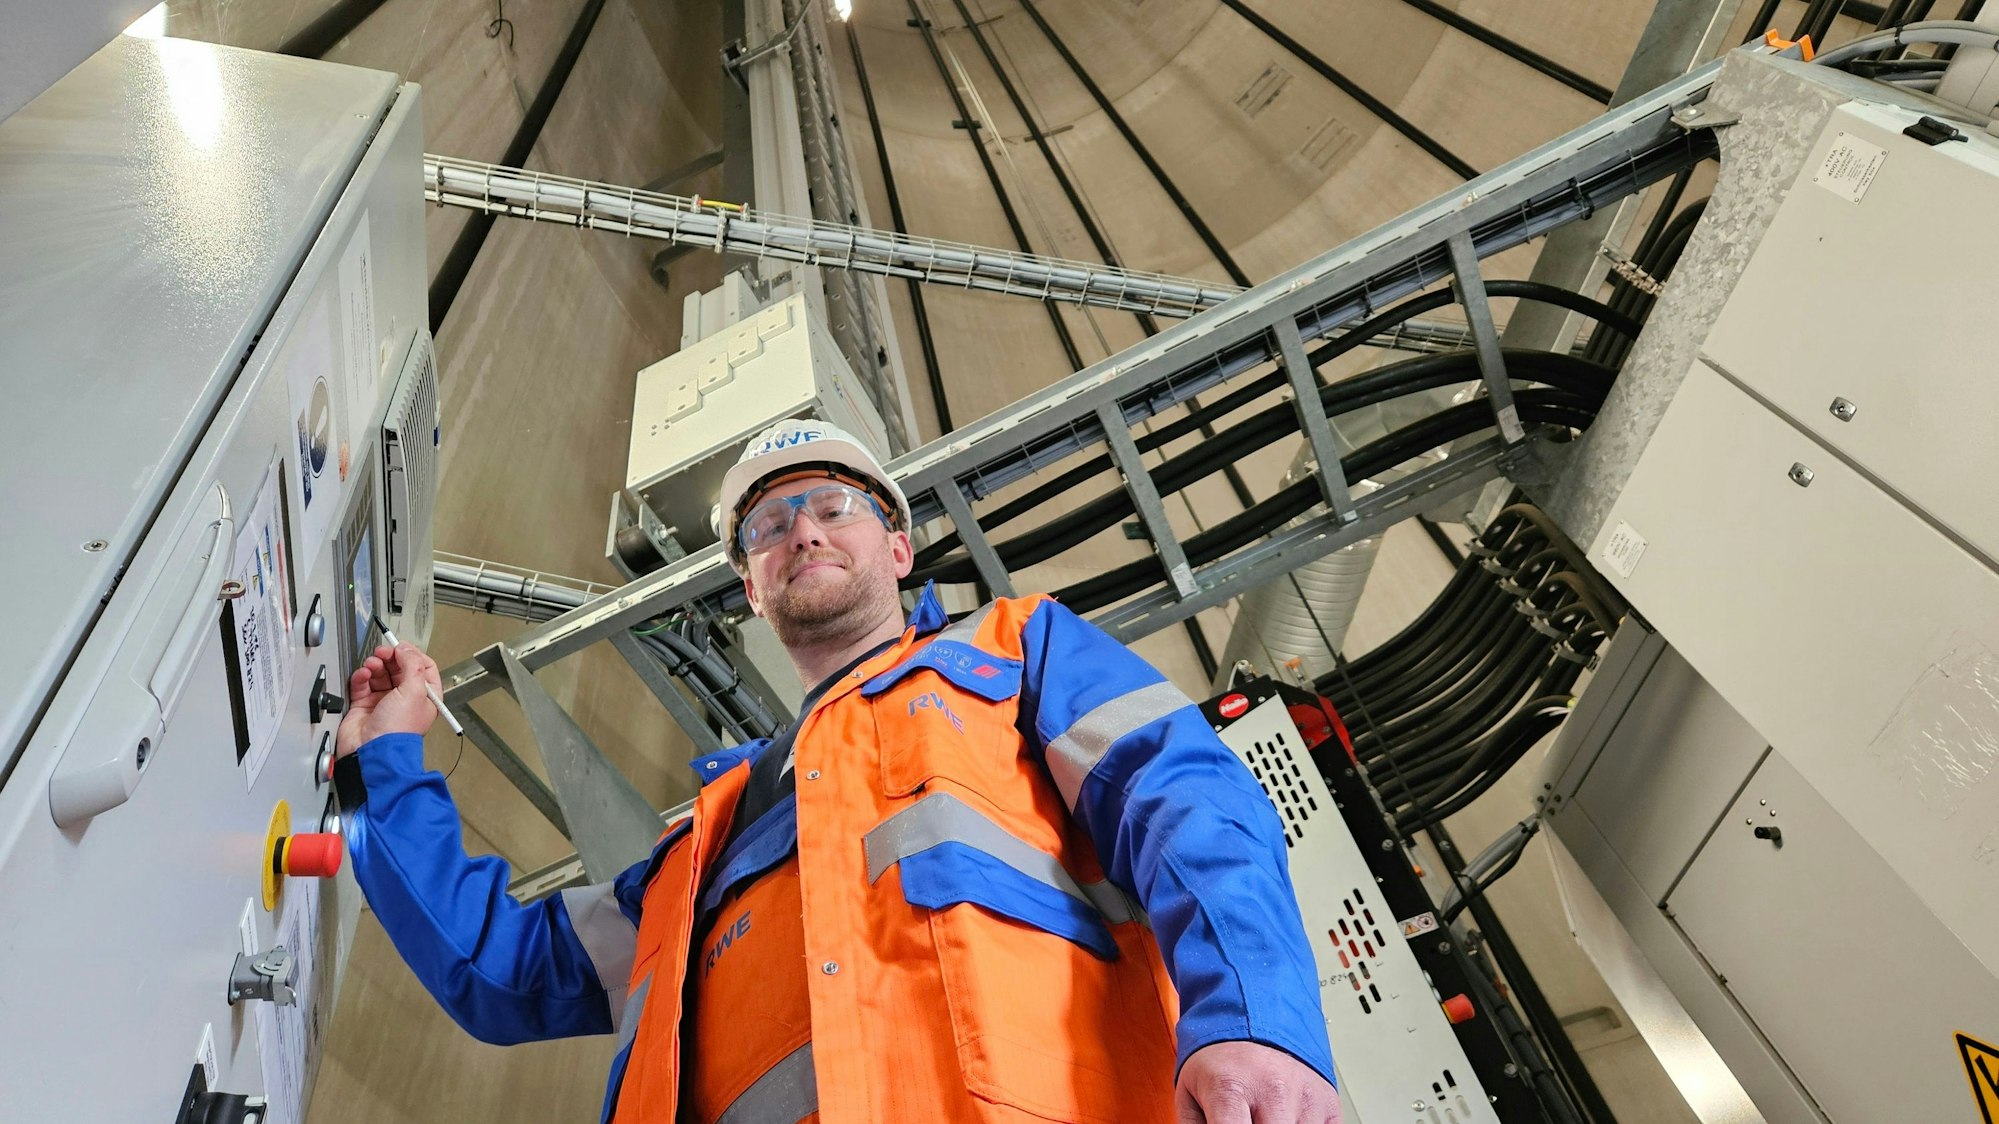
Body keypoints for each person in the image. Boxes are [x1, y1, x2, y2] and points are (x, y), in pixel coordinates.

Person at [335, 419, 1340, 1123]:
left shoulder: (1016, 650)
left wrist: (1254, 1019)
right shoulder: (710, 836)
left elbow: (1190, 804)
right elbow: (498, 968)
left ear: (898, 546)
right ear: (751, 590)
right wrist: (386, 755)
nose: (801, 530)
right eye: (768, 527)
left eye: (831, 507)